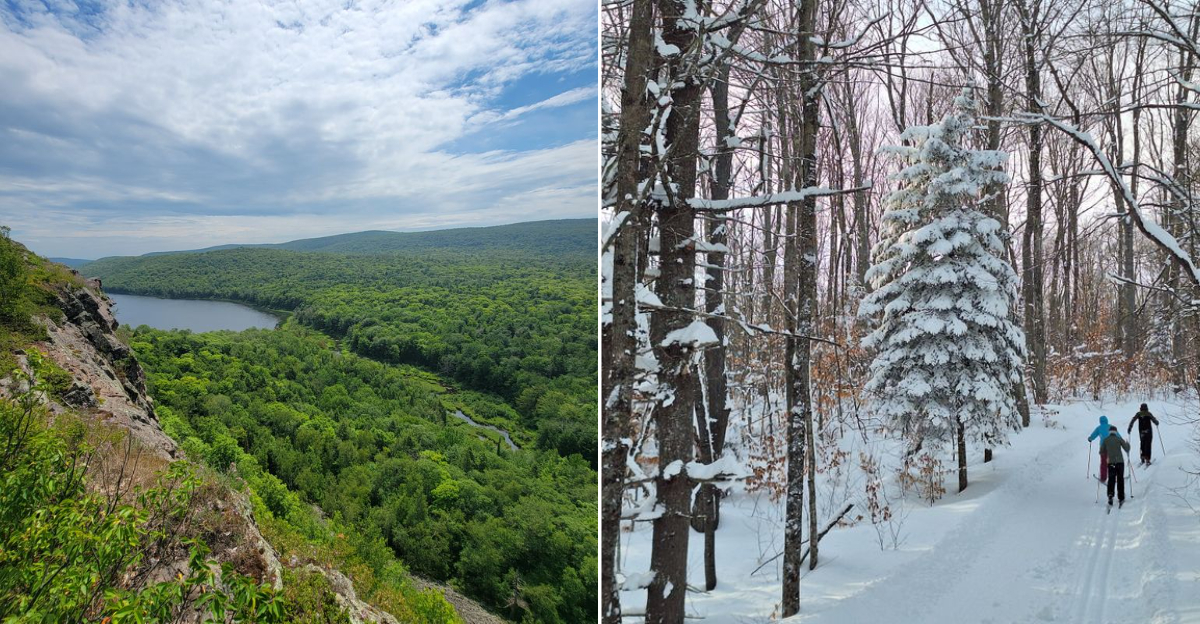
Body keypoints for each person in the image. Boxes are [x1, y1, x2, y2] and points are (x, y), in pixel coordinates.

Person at [1102, 425, 1131, 508]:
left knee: (1111, 479)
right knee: (1120, 479)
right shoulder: (1119, 439)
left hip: (1111, 463)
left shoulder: (1106, 440)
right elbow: (1127, 449)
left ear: (1109, 432)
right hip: (1120, 462)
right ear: (1116, 432)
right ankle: (1121, 497)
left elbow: (1102, 451)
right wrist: (1127, 444)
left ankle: (1110, 495)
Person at [1087, 415, 1111, 481]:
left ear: (1100, 421)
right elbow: (1117, 434)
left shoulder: (1099, 428)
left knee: (1104, 462)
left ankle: (1103, 478)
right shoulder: (1111, 427)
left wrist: (1090, 438)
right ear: (1107, 420)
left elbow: (1093, 435)